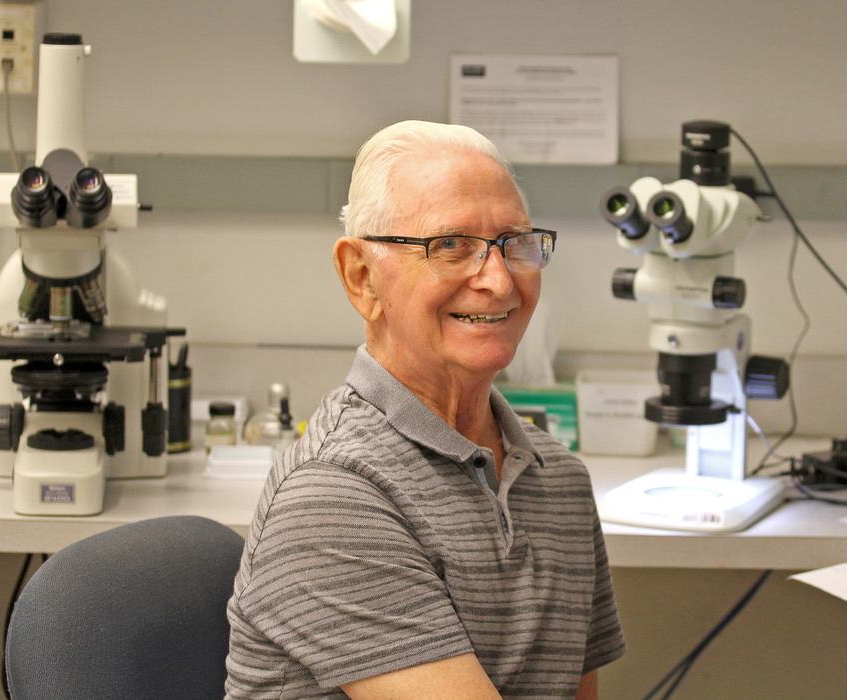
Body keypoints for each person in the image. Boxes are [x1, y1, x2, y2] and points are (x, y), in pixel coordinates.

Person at [225, 120, 625, 699]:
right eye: (451, 246)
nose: (497, 280)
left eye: (515, 243)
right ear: (362, 277)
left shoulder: (556, 479)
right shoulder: (334, 498)